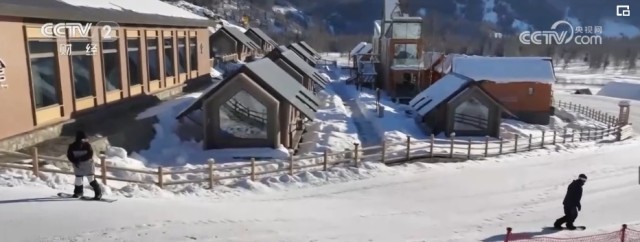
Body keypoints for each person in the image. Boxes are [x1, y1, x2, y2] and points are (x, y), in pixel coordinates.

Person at [66, 130, 102, 200]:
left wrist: (80, 159)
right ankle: (78, 192)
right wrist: (74, 160)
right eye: (83, 139)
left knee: (91, 179)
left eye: (85, 139)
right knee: (78, 179)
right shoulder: (72, 146)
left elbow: (89, 155)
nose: (84, 140)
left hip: (87, 165)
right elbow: (69, 155)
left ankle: (98, 193)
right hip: (78, 165)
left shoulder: (87, 145)